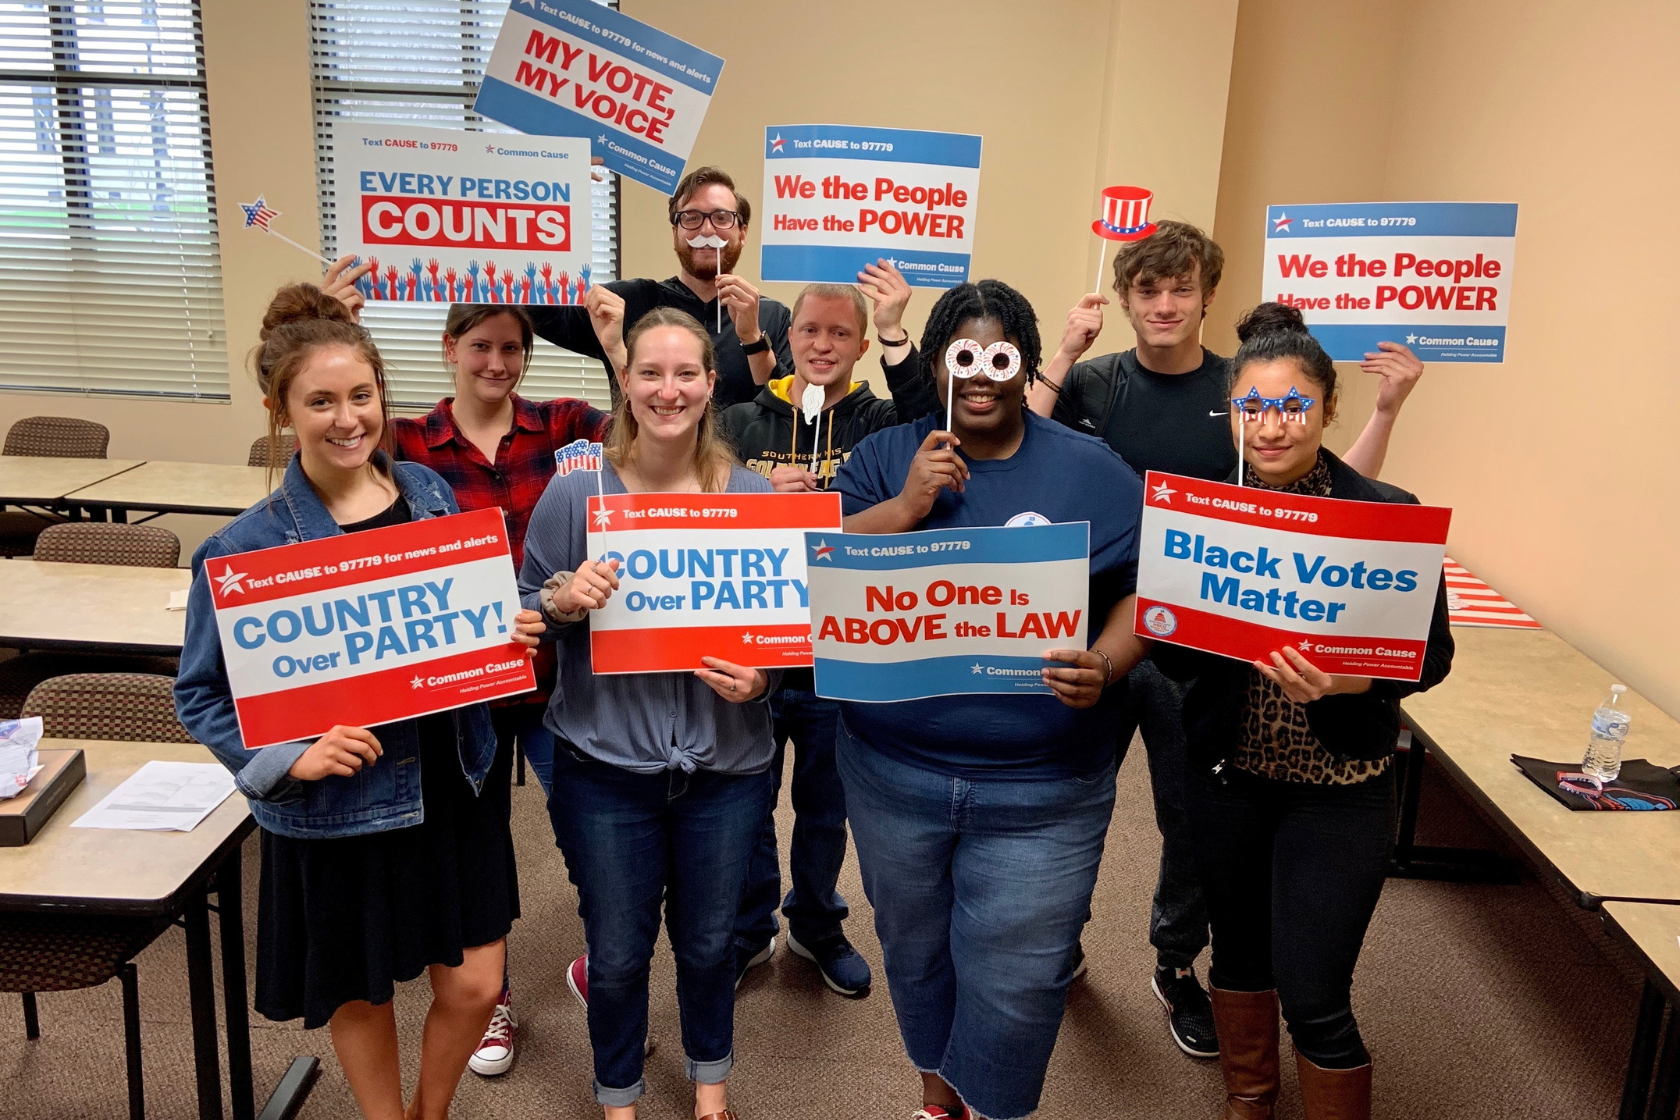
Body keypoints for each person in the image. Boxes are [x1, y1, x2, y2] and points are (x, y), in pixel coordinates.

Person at [1021, 221, 1425, 1060]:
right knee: (1067, 800)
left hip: (1192, 646)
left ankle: (1175, 966)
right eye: (1147, 289)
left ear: (1209, 295)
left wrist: (1385, 411)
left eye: (1182, 288)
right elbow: (1022, 445)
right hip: (1094, 626)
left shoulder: (1241, 386)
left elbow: (1335, 502)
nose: (1165, 304)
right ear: (1126, 298)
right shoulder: (1094, 382)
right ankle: (1056, 945)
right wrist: (1061, 350)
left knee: (1188, 821)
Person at [174, 284, 546, 1120]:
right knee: (359, 990)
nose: (346, 419)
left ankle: (431, 1109)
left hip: (455, 779)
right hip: (340, 805)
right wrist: (285, 758)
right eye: (320, 401)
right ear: (280, 410)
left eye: (361, 396)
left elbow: (466, 623)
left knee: (479, 982)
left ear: (383, 395)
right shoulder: (245, 547)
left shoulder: (427, 490)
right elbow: (199, 693)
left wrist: (504, 634)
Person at [832, 280, 1152, 1120]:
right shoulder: (884, 455)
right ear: (937, 361)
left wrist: (1107, 664)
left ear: (1025, 365)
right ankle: (941, 1102)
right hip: (891, 772)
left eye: (999, 356)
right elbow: (810, 566)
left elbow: (1147, 595)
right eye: (961, 355)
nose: (979, 374)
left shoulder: (1091, 469)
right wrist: (907, 505)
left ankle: (995, 1109)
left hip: (1045, 788)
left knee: (1017, 980)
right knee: (915, 954)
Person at [1152, 303, 1453, 1120]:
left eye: (1294, 405)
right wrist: (1205, 621)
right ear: (1232, 412)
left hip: (1343, 782)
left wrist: (1349, 682)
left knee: (1316, 991)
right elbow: (1172, 656)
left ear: (1328, 407)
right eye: (1254, 406)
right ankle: (1250, 1098)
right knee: (1241, 961)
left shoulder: (1386, 515)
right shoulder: (1198, 514)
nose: (1273, 425)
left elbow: (1432, 656)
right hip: (1229, 778)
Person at [518, 307, 779, 1120]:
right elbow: (525, 608)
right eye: (651, 373)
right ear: (625, 383)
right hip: (605, 768)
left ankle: (710, 1095)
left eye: (687, 374)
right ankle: (619, 1099)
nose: (669, 391)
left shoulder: (755, 496)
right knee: (621, 953)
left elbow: (791, 635)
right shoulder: (576, 493)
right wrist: (564, 600)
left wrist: (763, 680)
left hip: (727, 766)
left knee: (709, 946)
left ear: (711, 384)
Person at [386, 303, 609, 1077]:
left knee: (594, 841)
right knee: (478, 858)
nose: (496, 363)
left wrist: (615, 344)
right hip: (466, 692)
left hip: (555, 681)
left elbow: (654, 435)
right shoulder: (405, 441)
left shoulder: (569, 425)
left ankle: (608, 981)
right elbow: (327, 457)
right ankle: (493, 1002)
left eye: (512, 348)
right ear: (450, 348)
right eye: (480, 347)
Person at [717, 266, 936, 998]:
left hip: (841, 648)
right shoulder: (746, 419)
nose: (823, 343)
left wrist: (901, 326)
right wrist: (755, 494)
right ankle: (751, 927)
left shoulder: (881, 421)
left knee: (824, 801)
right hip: (751, 648)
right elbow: (694, 506)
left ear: (862, 343)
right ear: (788, 336)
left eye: (841, 332)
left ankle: (814, 921)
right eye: (810, 329)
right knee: (746, 797)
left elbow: (933, 422)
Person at [529, 166, 792, 409]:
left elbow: (792, 408)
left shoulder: (772, 316)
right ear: (675, 232)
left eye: (722, 218)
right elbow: (536, 308)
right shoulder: (627, 301)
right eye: (691, 218)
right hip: (641, 459)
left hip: (741, 461)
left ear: (742, 233)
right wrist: (556, 189)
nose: (708, 229)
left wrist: (754, 339)